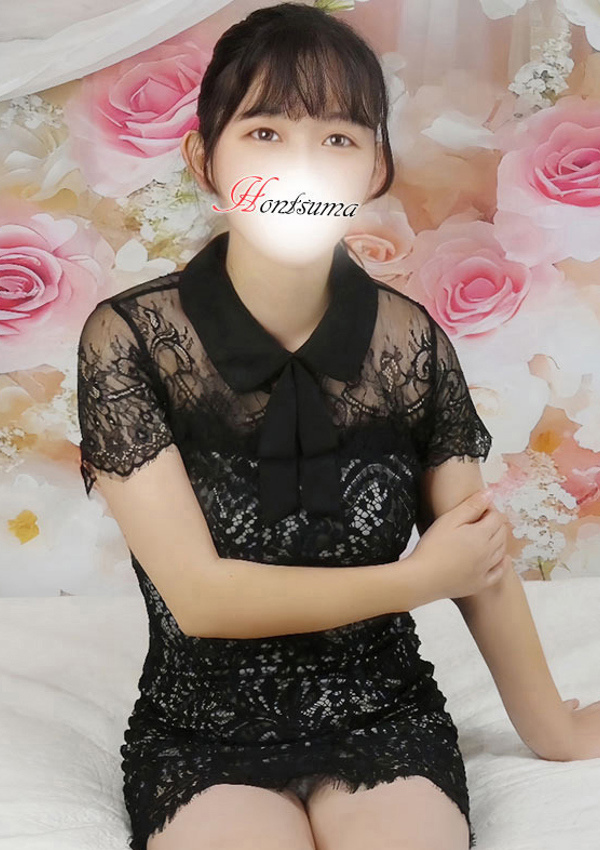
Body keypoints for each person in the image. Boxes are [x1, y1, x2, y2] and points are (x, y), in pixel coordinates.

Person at [77, 4, 504, 849]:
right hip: (201, 727)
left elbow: (480, 557)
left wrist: (556, 727)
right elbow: (201, 599)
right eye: (265, 132)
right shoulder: (129, 338)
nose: (301, 167)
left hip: (382, 713)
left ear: (375, 167)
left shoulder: (410, 341)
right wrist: (420, 579)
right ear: (205, 158)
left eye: (337, 138)